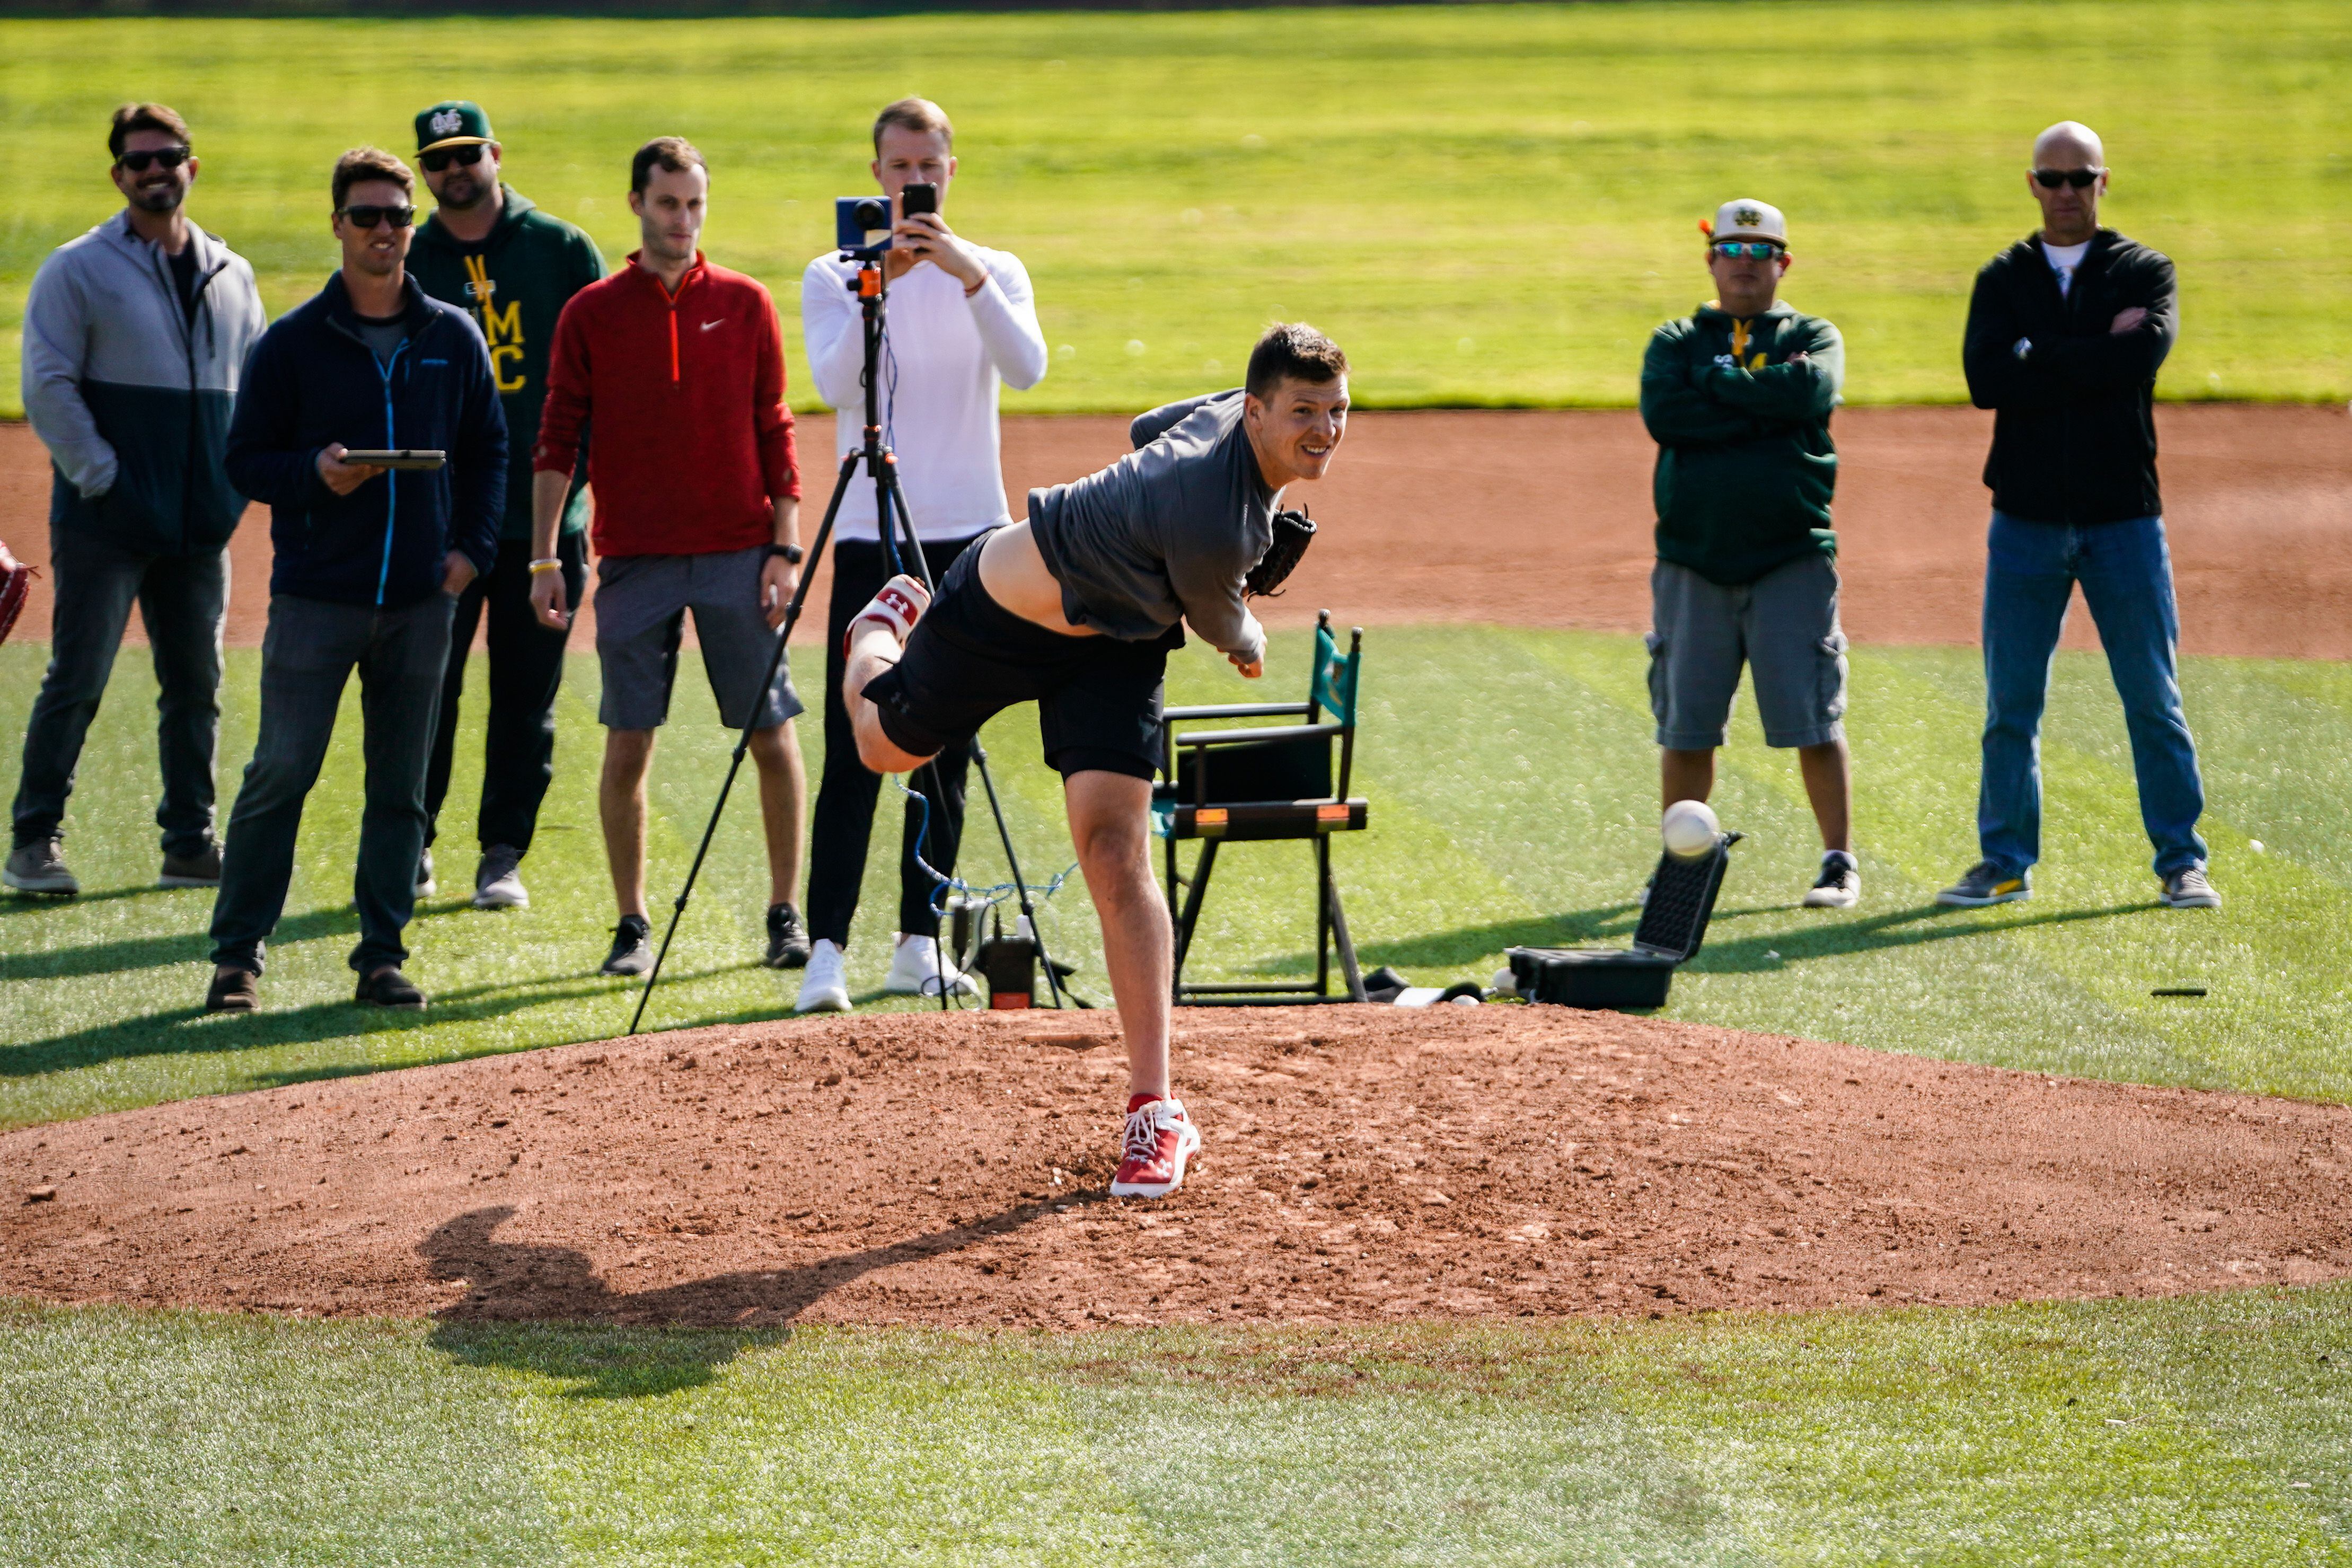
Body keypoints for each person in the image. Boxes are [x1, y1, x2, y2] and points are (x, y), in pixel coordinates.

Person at [841, 323, 1349, 1200]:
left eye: (1338, 410)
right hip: (1000, 608)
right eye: (1304, 411)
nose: (1326, 428)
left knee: (1115, 852)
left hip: (1117, 641)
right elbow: (1228, 629)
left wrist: (1152, 520)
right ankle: (879, 628)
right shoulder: (1210, 519)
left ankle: (1155, 1109)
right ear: (1257, 409)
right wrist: (1250, 626)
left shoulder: (1226, 417)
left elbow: (1148, 426)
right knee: (883, 747)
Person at [206, 147, 506, 1012]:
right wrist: (316, 473)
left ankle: (381, 953)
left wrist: (470, 554)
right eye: (367, 216)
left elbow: (488, 449)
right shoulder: (294, 343)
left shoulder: (451, 333)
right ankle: (237, 956)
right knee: (282, 771)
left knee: (400, 787)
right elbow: (246, 460)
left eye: (398, 217)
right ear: (336, 223)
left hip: (421, 600)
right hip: (316, 598)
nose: (385, 231)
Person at [530, 137, 809, 979]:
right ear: (636, 205)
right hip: (636, 561)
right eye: (667, 204)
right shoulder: (591, 312)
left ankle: (784, 911)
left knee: (771, 732)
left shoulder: (748, 302)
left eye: (694, 205)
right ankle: (630, 924)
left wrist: (786, 547)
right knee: (628, 742)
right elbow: (557, 440)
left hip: (739, 551)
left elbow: (775, 425)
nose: (682, 221)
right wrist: (545, 558)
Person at [795, 97, 1047, 1013]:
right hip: (871, 526)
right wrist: (888, 280)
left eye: (927, 169)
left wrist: (963, 272)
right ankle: (826, 947)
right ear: (875, 175)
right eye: (897, 169)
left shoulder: (994, 269)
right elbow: (833, 386)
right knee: (854, 738)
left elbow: (1025, 369)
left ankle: (917, 939)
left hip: (968, 531)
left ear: (949, 169)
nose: (912, 185)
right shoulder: (837, 274)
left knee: (948, 740)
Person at [1942, 121, 2215, 910]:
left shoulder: (2144, 269)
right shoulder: (2002, 276)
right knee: (2009, 705)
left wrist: (2038, 352)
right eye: (2050, 178)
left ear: (2103, 183)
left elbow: (2140, 356)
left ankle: (2179, 861)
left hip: (2121, 517)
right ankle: (2003, 862)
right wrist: (2088, 349)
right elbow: (1984, 378)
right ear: (2030, 184)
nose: (2065, 192)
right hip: (2023, 519)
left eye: (2079, 178)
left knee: (2152, 698)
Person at [10, 103, 266, 897]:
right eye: (139, 160)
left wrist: (232, 485)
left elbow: (256, 388)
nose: (156, 170)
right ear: (118, 174)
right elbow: (46, 384)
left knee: (197, 686)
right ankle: (32, 841)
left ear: (193, 166)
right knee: (78, 677)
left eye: (170, 157)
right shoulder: (78, 267)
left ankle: (190, 842)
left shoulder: (233, 272)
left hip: (200, 524)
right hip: (106, 522)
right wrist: (104, 477)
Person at [407, 101, 607, 912]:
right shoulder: (408, 252)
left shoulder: (559, 250)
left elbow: (605, 378)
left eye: (466, 153)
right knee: (425, 689)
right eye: (437, 159)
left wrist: (582, 494)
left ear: (494, 151)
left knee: (527, 697)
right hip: (440, 523)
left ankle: (501, 854)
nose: (454, 170)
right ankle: (412, 844)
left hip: (544, 523)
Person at [1639, 200, 1855, 908]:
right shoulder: (1675, 337)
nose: (1744, 263)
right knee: (1687, 726)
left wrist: (1719, 384)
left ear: (1782, 263)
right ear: (1710, 260)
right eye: (1731, 249)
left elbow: (1810, 390)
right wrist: (1766, 403)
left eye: (1760, 252)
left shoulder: (1814, 334)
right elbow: (1665, 414)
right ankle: (1681, 864)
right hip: (1692, 558)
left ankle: (1836, 860)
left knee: (1813, 720)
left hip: (1790, 553)